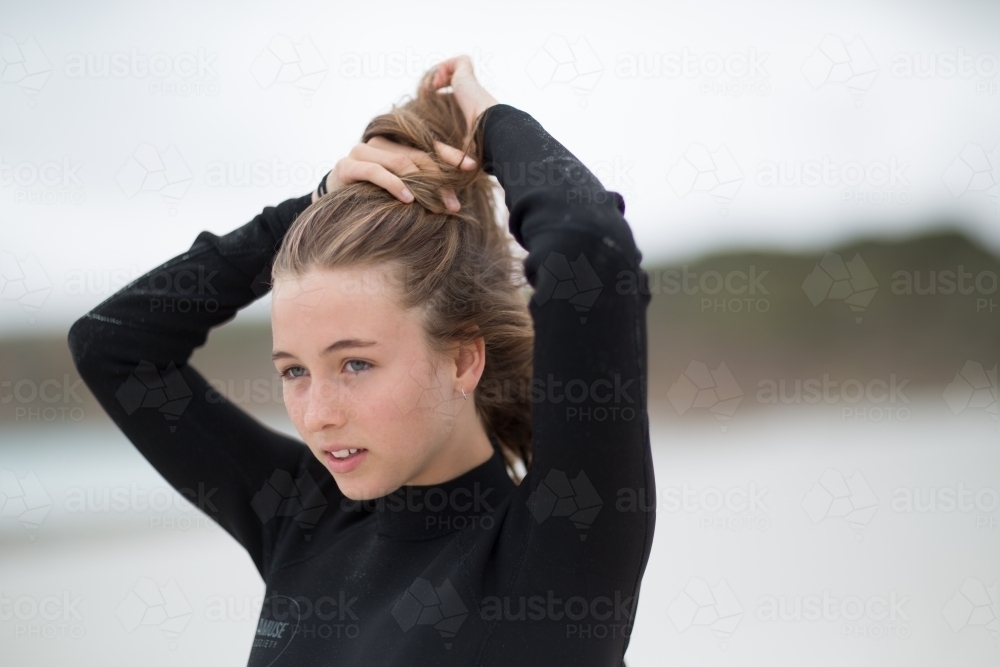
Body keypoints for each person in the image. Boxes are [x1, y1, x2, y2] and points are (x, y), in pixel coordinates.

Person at [68, 55, 654, 665]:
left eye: (354, 364)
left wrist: (492, 124)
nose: (317, 415)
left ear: (462, 359)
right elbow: (112, 348)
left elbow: (591, 252)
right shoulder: (301, 514)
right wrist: (318, 204)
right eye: (293, 370)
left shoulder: (560, 552)